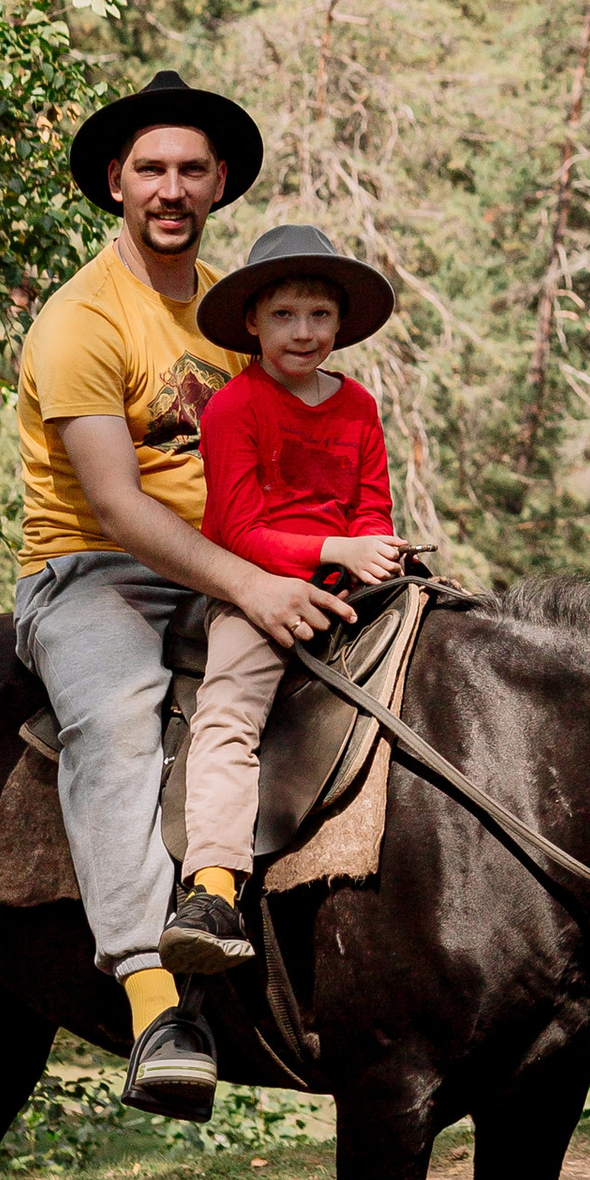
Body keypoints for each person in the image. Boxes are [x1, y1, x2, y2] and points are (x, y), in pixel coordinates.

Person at [13, 72, 340, 1120]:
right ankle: (155, 1003)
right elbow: (115, 505)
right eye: (150, 168)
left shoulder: (236, 313)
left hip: (230, 557)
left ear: (220, 184)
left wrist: (339, 548)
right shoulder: (80, 321)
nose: (170, 187)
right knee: (116, 723)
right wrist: (253, 581)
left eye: (190, 170)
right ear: (116, 182)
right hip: (93, 575)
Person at [159, 223, 403, 978]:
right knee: (230, 711)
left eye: (320, 316)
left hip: (348, 583)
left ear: (341, 324)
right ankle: (213, 886)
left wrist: (376, 552)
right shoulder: (235, 407)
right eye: (286, 316)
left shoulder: (358, 405)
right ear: (252, 324)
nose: (305, 333)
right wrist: (335, 550)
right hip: (256, 587)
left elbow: (371, 508)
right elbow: (234, 527)